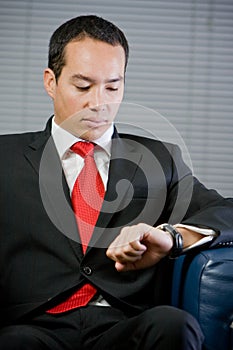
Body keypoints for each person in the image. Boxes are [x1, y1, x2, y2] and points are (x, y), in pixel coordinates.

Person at [0, 15, 232, 350]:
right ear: (51, 81)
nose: (99, 103)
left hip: (124, 325)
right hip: (32, 327)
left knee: (174, 325)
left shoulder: (159, 160)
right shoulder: (5, 156)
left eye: (112, 86)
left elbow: (226, 211)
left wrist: (173, 237)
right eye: (83, 86)